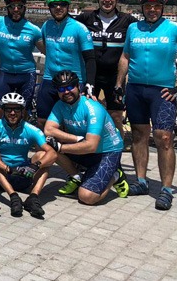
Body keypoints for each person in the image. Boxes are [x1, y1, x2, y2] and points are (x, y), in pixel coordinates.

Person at [115, 0, 177, 210]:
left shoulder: (174, 28)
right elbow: (125, 56)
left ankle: (167, 189)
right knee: (139, 135)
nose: (152, 10)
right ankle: (141, 181)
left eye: (156, 6)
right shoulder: (133, 28)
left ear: (162, 8)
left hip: (163, 91)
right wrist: (119, 84)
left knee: (164, 138)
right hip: (136, 90)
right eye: (148, 6)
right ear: (142, 8)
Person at [44, 70, 129, 206]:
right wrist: (75, 138)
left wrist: (61, 147)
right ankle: (76, 176)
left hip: (107, 152)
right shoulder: (60, 105)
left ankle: (116, 175)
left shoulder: (93, 108)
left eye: (70, 87)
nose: (66, 92)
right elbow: (48, 129)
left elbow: (91, 145)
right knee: (46, 144)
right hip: (84, 148)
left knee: (86, 197)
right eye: (61, 89)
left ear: (78, 86)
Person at [75, 0, 136, 147]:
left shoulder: (128, 20)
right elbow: (65, 26)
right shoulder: (86, 18)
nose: (107, 0)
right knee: (86, 114)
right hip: (90, 75)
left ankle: (116, 153)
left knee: (116, 116)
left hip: (115, 77)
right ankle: (85, 153)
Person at [0, 93, 57, 217]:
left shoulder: (31, 129)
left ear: (22, 111)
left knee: (43, 155)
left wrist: (35, 166)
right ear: (3, 111)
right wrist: (7, 168)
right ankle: (13, 197)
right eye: (8, 109)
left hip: (23, 175)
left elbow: (52, 153)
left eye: (16, 109)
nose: (12, 113)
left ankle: (33, 198)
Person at [36, 0, 95, 129]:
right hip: (50, 79)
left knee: (72, 124)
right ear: (49, 7)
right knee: (42, 121)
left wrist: (90, 84)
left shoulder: (79, 28)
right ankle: (47, 151)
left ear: (68, 6)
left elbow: (90, 59)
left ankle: (67, 150)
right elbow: (46, 48)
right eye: (54, 5)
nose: (58, 8)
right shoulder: (46, 26)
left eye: (62, 4)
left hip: (74, 82)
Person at [0, 0, 44, 122]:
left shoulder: (33, 29)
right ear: (7, 8)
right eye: (12, 6)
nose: (16, 10)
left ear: (25, 8)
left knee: (21, 115)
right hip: (5, 74)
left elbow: (48, 52)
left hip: (26, 75)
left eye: (19, 6)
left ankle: (18, 141)